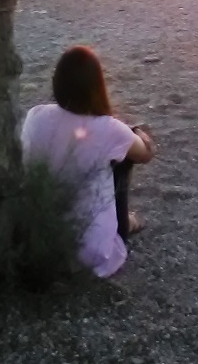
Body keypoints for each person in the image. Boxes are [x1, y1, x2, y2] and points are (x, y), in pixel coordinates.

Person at [19, 45, 155, 278]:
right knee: (123, 157)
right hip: (90, 251)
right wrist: (137, 133)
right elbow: (145, 154)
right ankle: (124, 223)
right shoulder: (110, 129)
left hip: (38, 237)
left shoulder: (36, 115)